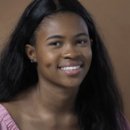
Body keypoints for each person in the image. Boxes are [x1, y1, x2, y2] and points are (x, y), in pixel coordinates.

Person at [0, 0, 129, 130]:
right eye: (56, 43)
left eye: (80, 41)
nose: (72, 53)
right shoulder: (4, 120)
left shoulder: (111, 120)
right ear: (32, 53)